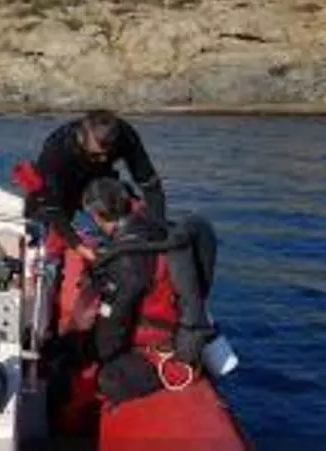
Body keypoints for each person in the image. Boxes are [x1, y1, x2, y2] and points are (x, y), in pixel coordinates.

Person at [80, 178, 214, 406]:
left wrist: (93, 354)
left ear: (97, 216)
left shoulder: (127, 259)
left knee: (106, 378)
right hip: (173, 334)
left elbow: (115, 324)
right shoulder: (155, 230)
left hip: (160, 352)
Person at [22, 109, 166, 261]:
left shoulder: (124, 135)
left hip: (99, 182)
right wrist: (79, 246)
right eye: (96, 155)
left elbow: (150, 184)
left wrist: (158, 230)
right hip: (58, 191)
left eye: (108, 153)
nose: (103, 158)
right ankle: (49, 264)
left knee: (129, 206)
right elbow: (51, 207)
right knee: (52, 236)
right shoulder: (56, 152)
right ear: (81, 137)